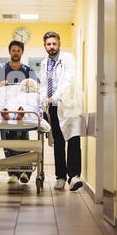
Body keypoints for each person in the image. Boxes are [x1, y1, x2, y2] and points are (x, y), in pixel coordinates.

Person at [0, 40, 40, 184]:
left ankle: (25, 171)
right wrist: (4, 83)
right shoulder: (0, 69)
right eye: (13, 50)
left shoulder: (28, 70)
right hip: (5, 107)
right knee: (7, 141)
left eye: (18, 50)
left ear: (22, 52)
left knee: (22, 139)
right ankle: (13, 173)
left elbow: (37, 88)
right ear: (9, 52)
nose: (16, 52)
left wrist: (27, 86)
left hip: (21, 110)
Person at [40, 31, 84, 191]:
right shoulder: (44, 63)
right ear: (44, 46)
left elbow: (67, 80)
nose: (51, 47)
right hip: (53, 107)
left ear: (59, 43)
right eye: (48, 44)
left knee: (73, 139)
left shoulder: (68, 58)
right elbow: (45, 84)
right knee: (58, 142)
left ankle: (74, 176)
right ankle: (60, 177)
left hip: (69, 104)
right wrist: (43, 100)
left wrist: (55, 97)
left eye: (54, 43)